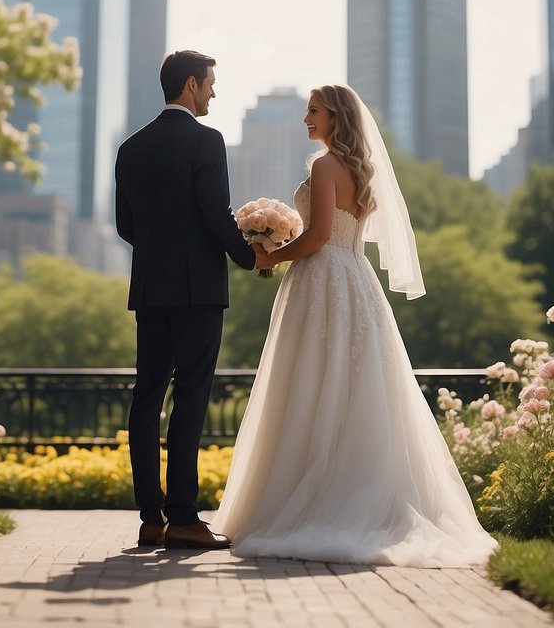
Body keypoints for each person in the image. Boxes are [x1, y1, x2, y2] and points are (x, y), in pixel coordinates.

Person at [210, 84, 497, 566]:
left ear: (335, 117)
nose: (306, 119)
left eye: (313, 112)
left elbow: (320, 235)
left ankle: (310, 503)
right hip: (356, 279)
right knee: (354, 384)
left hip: (322, 279)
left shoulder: (324, 167)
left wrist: (272, 255)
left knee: (309, 382)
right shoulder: (358, 170)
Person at [114, 50, 257, 550]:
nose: (214, 92)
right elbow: (216, 215)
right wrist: (250, 256)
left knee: (147, 397)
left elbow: (125, 226)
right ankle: (183, 517)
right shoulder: (206, 140)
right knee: (191, 399)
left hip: (151, 290)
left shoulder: (130, 148)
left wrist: (162, 255)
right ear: (192, 85)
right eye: (211, 83)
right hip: (198, 292)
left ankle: (151, 517)